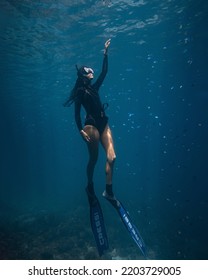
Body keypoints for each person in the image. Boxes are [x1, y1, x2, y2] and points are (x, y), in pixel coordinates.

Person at [64, 39, 116, 200]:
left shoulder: (94, 88)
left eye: (91, 70)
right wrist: (80, 129)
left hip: (103, 122)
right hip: (90, 126)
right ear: (82, 75)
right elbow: (76, 113)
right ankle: (90, 184)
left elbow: (104, 72)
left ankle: (108, 191)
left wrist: (105, 53)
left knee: (112, 157)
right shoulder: (80, 92)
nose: (91, 71)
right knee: (94, 159)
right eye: (88, 70)